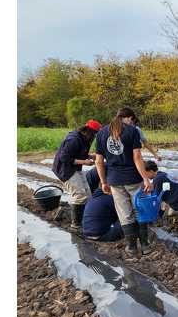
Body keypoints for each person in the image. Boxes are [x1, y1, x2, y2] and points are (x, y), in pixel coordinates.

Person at [95, 107, 154, 257]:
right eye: (132, 119)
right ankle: (145, 246)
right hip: (133, 178)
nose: (132, 122)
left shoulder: (101, 133)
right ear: (128, 118)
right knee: (140, 210)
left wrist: (103, 182)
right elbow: (137, 157)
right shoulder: (132, 131)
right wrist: (146, 179)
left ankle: (132, 248)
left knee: (125, 214)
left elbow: (99, 161)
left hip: (114, 180)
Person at [52, 119, 101, 229]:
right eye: (95, 133)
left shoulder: (84, 139)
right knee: (79, 195)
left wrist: (90, 156)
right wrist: (84, 162)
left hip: (75, 168)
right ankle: (75, 225)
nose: (95, 136)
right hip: (65, 170)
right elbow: (64, 157)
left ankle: (71, 214)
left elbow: (79, 153)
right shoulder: (73, 139)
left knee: (88, 195)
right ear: (90, 131)